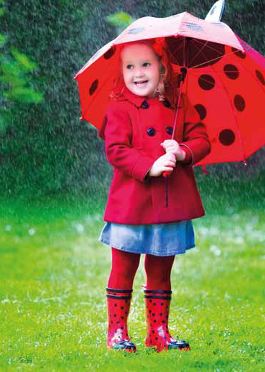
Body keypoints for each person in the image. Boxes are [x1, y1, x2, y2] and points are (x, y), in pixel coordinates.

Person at [97, 39, 211, 352]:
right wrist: (150, 166)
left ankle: (158, 332)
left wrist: (182, 151)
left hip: (169, 203)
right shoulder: (118, 108)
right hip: (131, 204)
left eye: (145, 64)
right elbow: (115, 150)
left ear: (162, 68)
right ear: (121, 72)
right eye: (129, 66)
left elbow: (202, 139)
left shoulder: (179, 103)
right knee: (124, 267)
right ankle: (117, 331)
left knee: (161, 269)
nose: (138, 73)